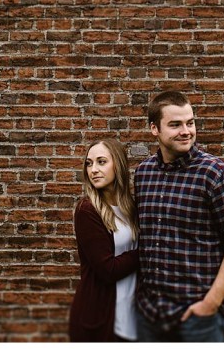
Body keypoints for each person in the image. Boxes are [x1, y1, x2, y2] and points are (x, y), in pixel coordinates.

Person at [133, 91, 224, 342]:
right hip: (149, 317)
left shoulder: (214, 173)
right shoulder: (143, 173)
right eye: (175, 124)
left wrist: (211, 303)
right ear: (154, 129)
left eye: (190, 122)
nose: (186, 131)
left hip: (198, 320)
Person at [69, 138, 140, 342]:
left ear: (117, 164)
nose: (94, 170)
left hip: (132, 316)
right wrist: (149, 250)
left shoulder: (131, 208)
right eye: (89, 163)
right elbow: (107, 269)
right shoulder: (88, 210)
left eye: (101, 162)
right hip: (98, 319)